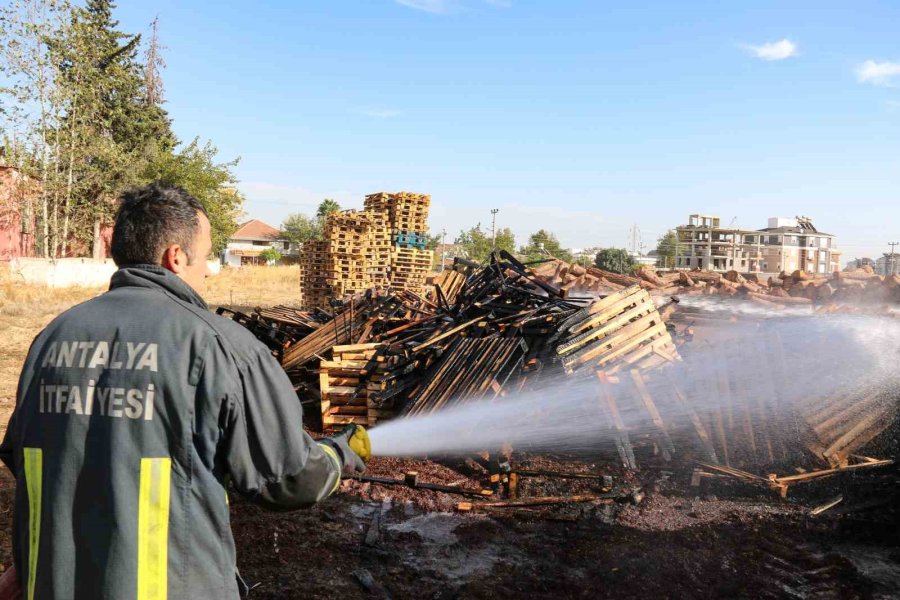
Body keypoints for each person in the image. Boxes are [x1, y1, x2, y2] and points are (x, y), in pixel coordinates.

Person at [0, 182, 369, 599]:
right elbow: (289, 479)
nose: (209, 270)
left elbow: (25, 454)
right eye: (208, 255)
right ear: (175, 257)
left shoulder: (52, 337)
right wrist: (337, 455)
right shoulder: (220, 345)